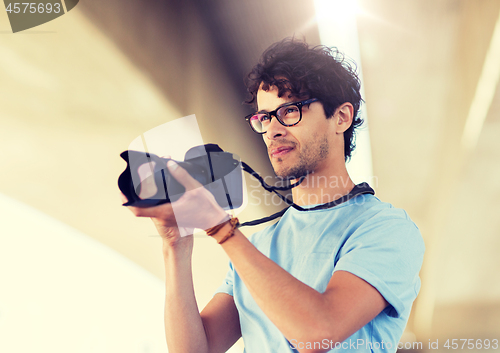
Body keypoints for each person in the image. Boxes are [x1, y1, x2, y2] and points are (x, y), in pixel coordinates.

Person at [125, 39, 425, 353]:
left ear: (342, 117)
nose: (273, 130)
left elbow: (318, 332)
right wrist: (176, 244)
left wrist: (221, 228)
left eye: (290, 110)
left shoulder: (387, 229)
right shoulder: (259, 247)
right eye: (265, 118)